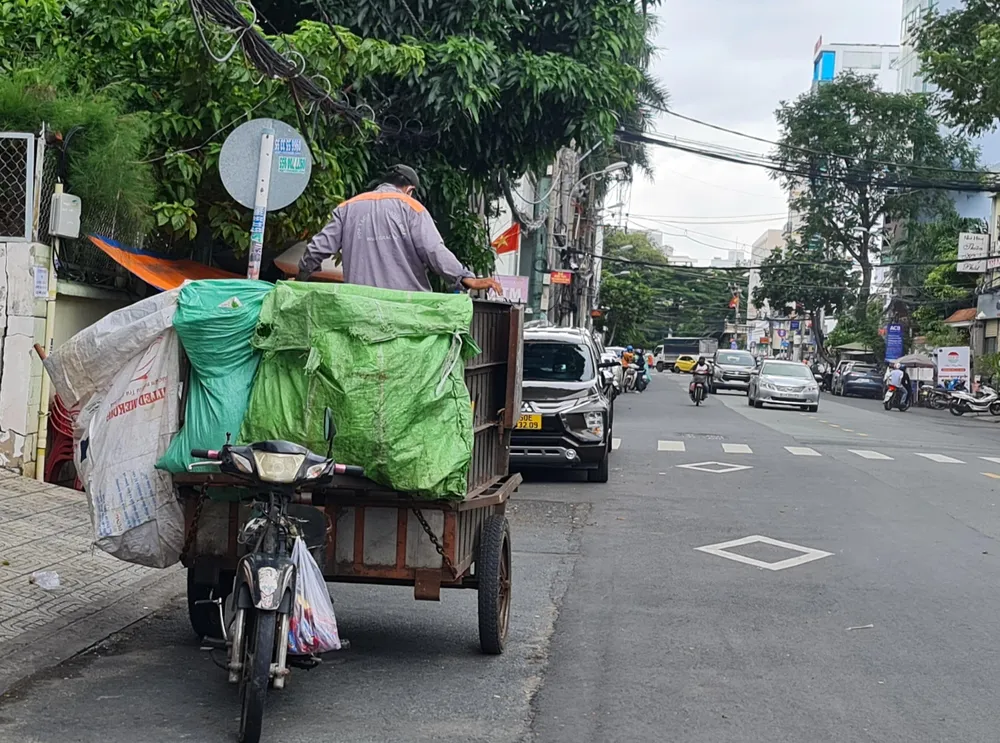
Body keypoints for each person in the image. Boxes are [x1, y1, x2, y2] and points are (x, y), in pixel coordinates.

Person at [297, 164, 502, 295]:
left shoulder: (348, 207)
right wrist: (467, 279)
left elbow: (316, 249)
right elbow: (434, 251)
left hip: (358, 308)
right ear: (410, 189)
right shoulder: (412, 208)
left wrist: (303, 276)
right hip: (405, 309)